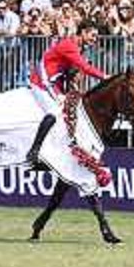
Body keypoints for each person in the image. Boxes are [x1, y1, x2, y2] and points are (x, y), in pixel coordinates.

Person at [26, 19, 107, 169]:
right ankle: (34, 151)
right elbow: (84, 67)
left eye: (96, 37)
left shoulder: (79, 46)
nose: (94, 40)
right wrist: (105, 77)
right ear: (83, 32)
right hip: (42, 81)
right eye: (92, 35)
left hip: (54, 83)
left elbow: (71, 72)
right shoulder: (70, 44)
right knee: (54, 111)